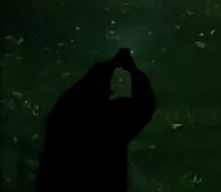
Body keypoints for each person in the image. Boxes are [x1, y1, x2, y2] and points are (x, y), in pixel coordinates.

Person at [35, 48, 155, 191]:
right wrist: (131, 69)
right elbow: (145, 104)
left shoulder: (62, 116)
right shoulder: (110, 123)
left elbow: (85, 85)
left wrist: (108, 66)